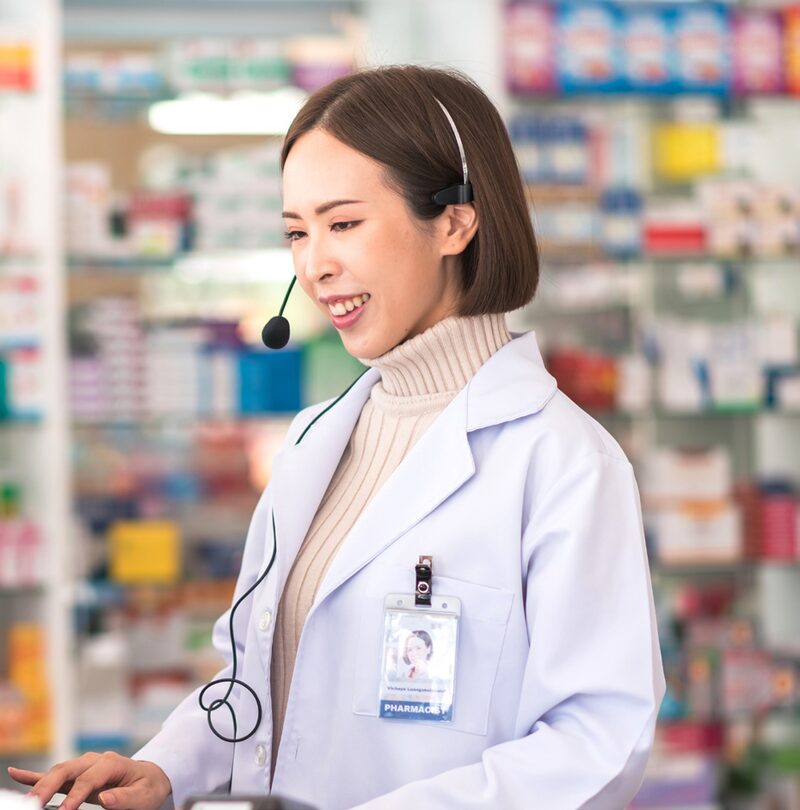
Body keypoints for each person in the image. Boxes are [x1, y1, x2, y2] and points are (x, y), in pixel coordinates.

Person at [10, 63, 665, 810]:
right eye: (297, 231)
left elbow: (596, 743)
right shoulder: (313, 442)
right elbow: (253, 678)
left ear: (455, 220)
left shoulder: (563, 462)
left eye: (343, 223)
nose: (315, 265)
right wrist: (166, 766)